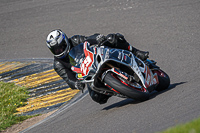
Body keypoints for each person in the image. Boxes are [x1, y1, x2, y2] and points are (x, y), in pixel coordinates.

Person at [46, 29, 149, 104]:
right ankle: (120, 87)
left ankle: (136, 52)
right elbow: (68, 78)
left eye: (60, 47)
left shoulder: (75, 40)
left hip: (96, 59)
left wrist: (97, 38)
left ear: (65, 41)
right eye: (55, 50)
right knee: (97, 97)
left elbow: (88, 39)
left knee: (113, 38)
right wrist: (76, 84)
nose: (59, 51)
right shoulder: (58, 64)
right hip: (88, 75)